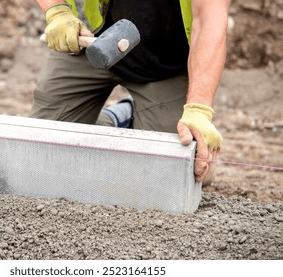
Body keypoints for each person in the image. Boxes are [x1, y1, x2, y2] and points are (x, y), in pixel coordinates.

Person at [31, 0, 229, 183]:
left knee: (182, 173)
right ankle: (117, 119)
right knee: (41, 154)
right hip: (90, 42)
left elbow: (209, 21)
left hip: (163, 65)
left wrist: (198, 110)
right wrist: (57, 10)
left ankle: (148, 114)